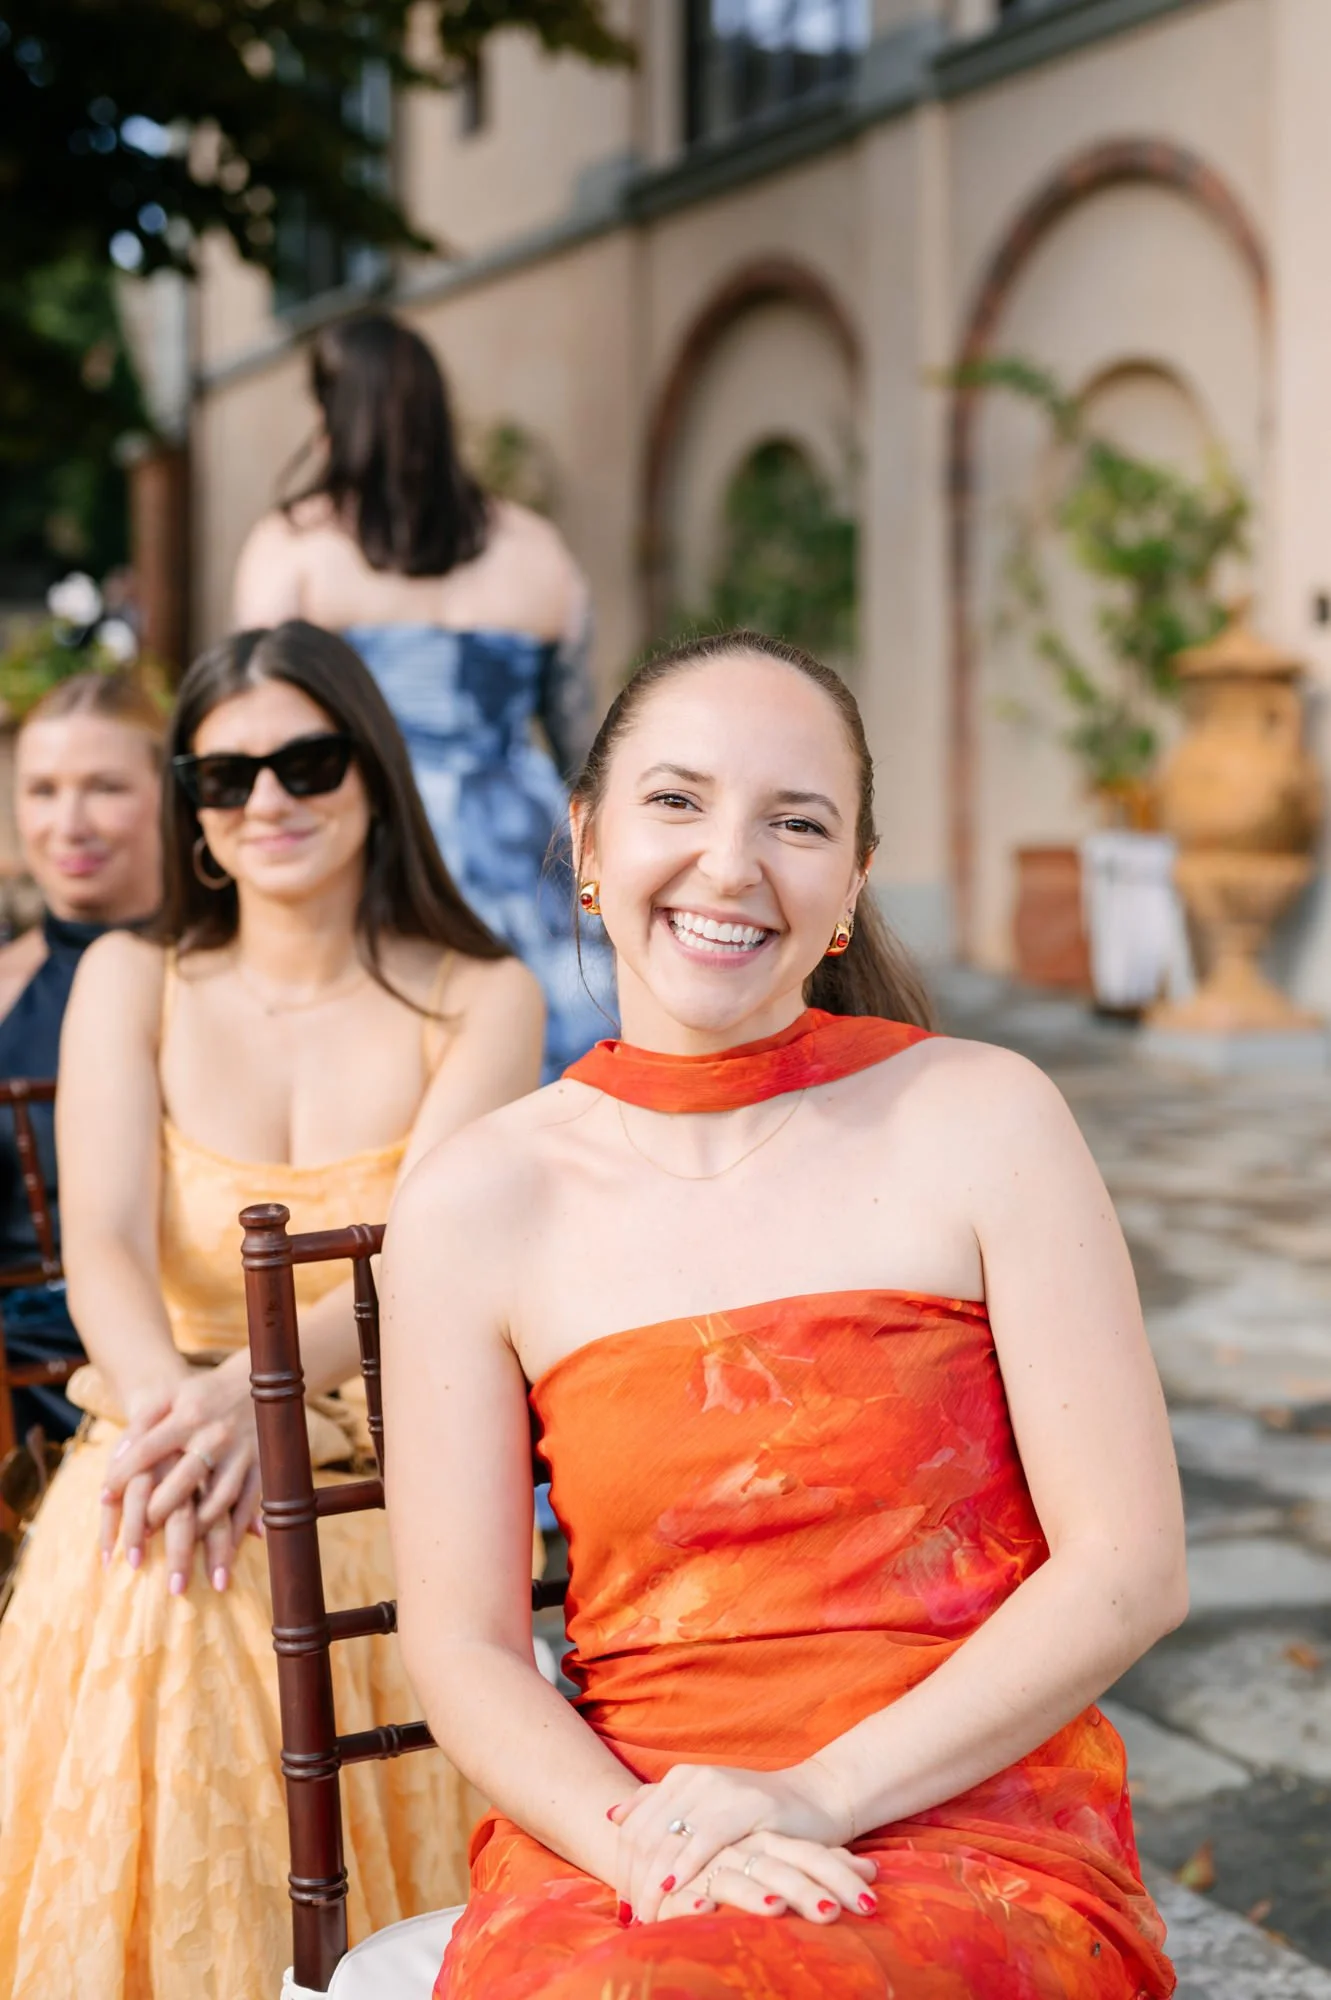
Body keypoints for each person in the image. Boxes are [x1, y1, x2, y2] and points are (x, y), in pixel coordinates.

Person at [381, 628, 1185, 2000]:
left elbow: (1127, 1566)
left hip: (964, 1809)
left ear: (853, 880)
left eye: (795, 822)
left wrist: (818, 1794)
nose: (729, 863)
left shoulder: (982, 1116)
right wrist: (645, 1852)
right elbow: (459, 1645)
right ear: (586, 842)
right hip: (631, 1829)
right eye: (676, 801)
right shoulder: (474, 1200)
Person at [0, 621, 544, 2000]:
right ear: (190, 808)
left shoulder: (483, 995)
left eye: (304, 761)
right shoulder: (132, 976)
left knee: (214, 1567)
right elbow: (105, 1246)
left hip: (380, 1472)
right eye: (224, 776)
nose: (267, 802)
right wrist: (188, 1420)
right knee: (165, 1563)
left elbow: (425, 1264)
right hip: (157, 1437)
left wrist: (262, 1401)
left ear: (371, 772)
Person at [232, 312, 609, 1081]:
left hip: (379, 838)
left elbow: (255, 727)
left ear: (332, 414)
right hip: (519, 843)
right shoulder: (536, 548)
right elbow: (582, 743)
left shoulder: (293, 547)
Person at [0, 672, 163, 1443]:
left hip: (163, 1358)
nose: (68, 823)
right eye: (42, 790)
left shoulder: (212, 981)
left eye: (104, 788)